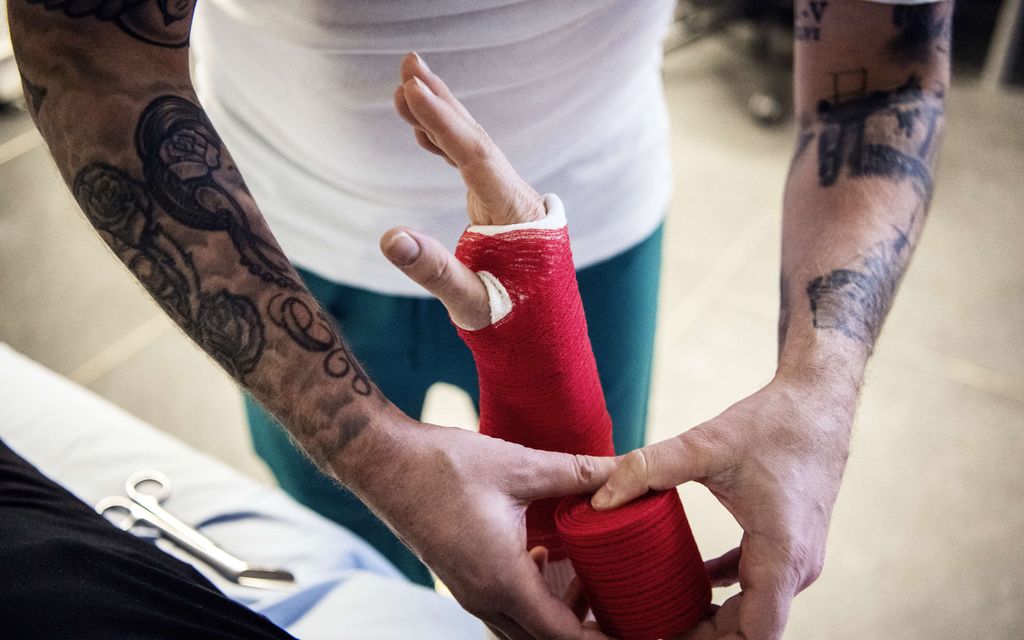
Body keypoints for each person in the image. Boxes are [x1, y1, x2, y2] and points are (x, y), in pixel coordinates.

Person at [8, 1, 952, 638]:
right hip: (274, 250)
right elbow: (89, 58)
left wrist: (819, 394)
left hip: (594, 237)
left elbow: (883, 78)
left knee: (592, 551)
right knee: (352, 549)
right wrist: (373, 453)